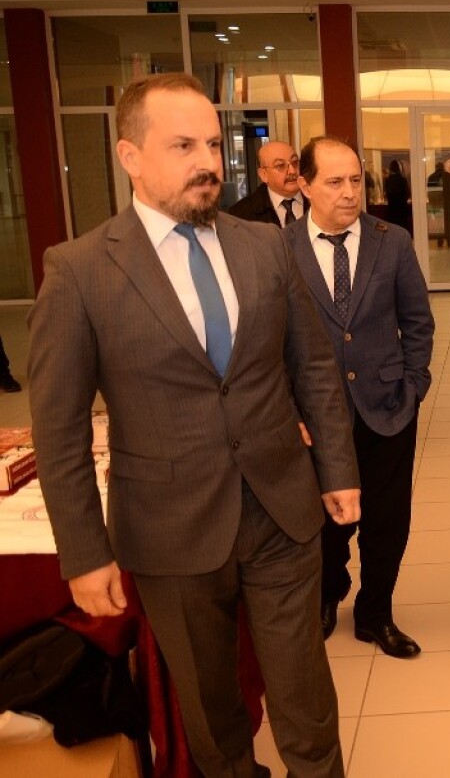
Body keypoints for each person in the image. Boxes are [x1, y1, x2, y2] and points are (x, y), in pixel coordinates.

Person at [27, 73, 360, 777]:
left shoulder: (265, 247)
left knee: (305, 697)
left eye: (212, 142)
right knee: (211, 711)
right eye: (182, 145)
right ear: (130, 157)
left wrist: (337, 471)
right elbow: (57, 431)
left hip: (280, 510)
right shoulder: (80, 271)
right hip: (169, 530)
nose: (207, 160)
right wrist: (83, 553)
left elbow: (315, 370)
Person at [285, 136, 435, 659]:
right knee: (322, 526)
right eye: (334, 182)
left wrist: (413, 385)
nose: (350, 193)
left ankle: (376, 614)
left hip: (387, 407)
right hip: (313, 419)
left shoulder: (390, 240)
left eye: (356, 180)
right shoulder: (278, 250)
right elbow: (264, 343)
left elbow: (418, 321)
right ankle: (328, 597)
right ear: (303, 185)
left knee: (387, 522)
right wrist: (287, 413)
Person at [226, 140, 309, 227]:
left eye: (295, 162)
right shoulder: (241, 215)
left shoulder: (319, 199)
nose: (292, 171)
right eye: (280, 165)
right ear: (264, 175)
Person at [382, 158, 412, 232]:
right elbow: (408, 193)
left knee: (393, 230)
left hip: (391, 209)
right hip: (402, 208)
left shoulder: (388, 180)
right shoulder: (403, 180)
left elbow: (386, 194)